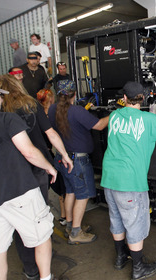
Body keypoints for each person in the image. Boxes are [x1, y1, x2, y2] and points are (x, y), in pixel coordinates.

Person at [101, 81, 156, 280]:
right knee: (135, 223)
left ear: (124, 99)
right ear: (144, 98)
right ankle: (138, 268)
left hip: (109, 178)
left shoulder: (114, 116)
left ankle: (121, 257)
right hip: (130, 182)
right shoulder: (148, 120)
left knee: (117, 219)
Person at [0, 74, 73, 280]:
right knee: (38, 219)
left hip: (12, 173)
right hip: (38, 169)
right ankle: (43, 265)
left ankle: (30, 268)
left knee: (18, 223)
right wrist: (64, 155)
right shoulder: (30, 105)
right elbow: (51, 133)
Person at [0, 80, 57, 280]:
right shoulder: (7, 120)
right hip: (20, 192)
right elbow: (29, 152)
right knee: (42, 238)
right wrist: (49, 167)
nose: (1, 99)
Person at [49, 80, 109, 245]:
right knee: (83, 195)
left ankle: (70, 225)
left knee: (70, 192)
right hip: (78, 161)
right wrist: (114, 114)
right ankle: (76, 232)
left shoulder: (53, 109)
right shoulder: (76, 111)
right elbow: (98, 126)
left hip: (62, 158)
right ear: (74, 94)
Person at [37, 88, 68, 226]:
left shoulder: (36, 114)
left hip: (44, 153)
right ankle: (63, 216)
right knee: (61, 186)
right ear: (50, 99)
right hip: (49, 154)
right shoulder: (48, 117)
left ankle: (61, 215)